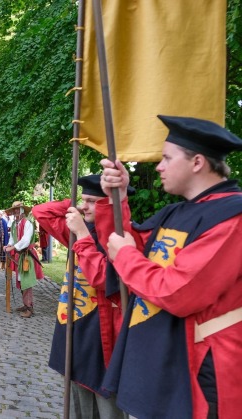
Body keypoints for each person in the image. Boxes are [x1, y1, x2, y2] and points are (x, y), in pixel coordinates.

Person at [98, 115, 242, 419]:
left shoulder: (233, 217)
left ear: (197, 162)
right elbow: (124, 243)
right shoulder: (176, 211)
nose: (159, 166)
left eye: (166, 158)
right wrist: (117, 198)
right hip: (162, 353)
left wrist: (125, 255)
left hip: (198, 368)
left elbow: (178, 292)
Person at [33, 176, 129, 418]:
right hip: (76, 329)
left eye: (93, 201)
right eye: (84, 200)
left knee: (108, 406)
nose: (85, 206)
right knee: (79, 406)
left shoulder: (123, 237)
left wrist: (83, 232)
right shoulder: (77, 231)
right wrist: (72, 204)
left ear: (110, 204)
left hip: (104, 336)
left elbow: (105, 280)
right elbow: (41, 212)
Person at [4, 201, 43, 318]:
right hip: (20, 255)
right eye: (14, 210)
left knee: (26, 282)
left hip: (27, 256)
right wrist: (8, 245)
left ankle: (29, 307)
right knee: (21, 281)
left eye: (18, 209)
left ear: (22, 211)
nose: (16, 211)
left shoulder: (28, 224)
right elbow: (12, 238)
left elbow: (25, 241)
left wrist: (13, 247)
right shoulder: (15, 225)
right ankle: (26, 305)